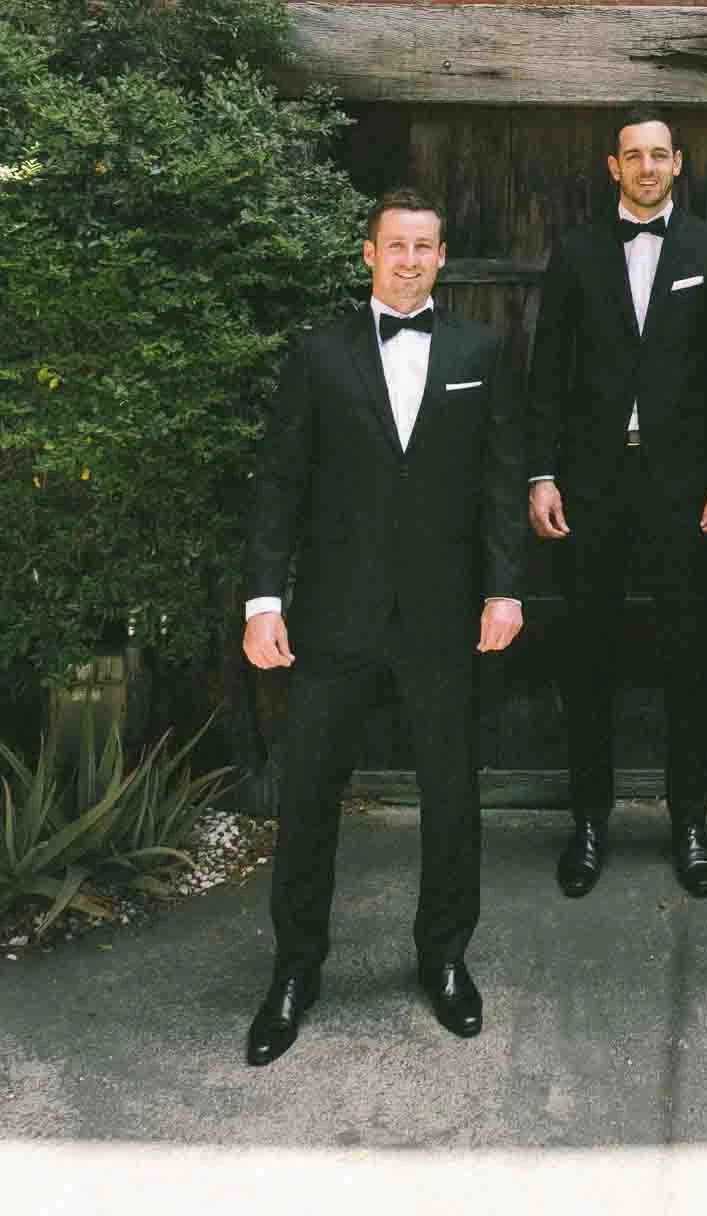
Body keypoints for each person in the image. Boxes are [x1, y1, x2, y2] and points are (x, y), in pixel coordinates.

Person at [241, 187, 526, 1064]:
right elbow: (280, 483)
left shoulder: (479, 350)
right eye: (394, 246)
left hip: (445, 617)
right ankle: (295, 970)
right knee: (308, 798)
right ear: (368, 254)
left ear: (442, 257)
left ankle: (445, 958)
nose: (409, 260)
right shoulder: (318, 354)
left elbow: (500, 481)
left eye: (423, 247)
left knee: (452, 795)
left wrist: (505, 591)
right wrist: (263, 601)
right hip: (335, 616)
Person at [528, 106, 707, 898]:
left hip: (684, 489)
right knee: (588, 655)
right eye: (634, 156)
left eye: (660, 155)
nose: (648, 167)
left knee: (690, 654)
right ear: (613, 167)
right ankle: (588, 823)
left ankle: (689, 822)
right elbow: (547, 372)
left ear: (678, 163)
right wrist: (541, 475)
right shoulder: (576, 251)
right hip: (591, 485)